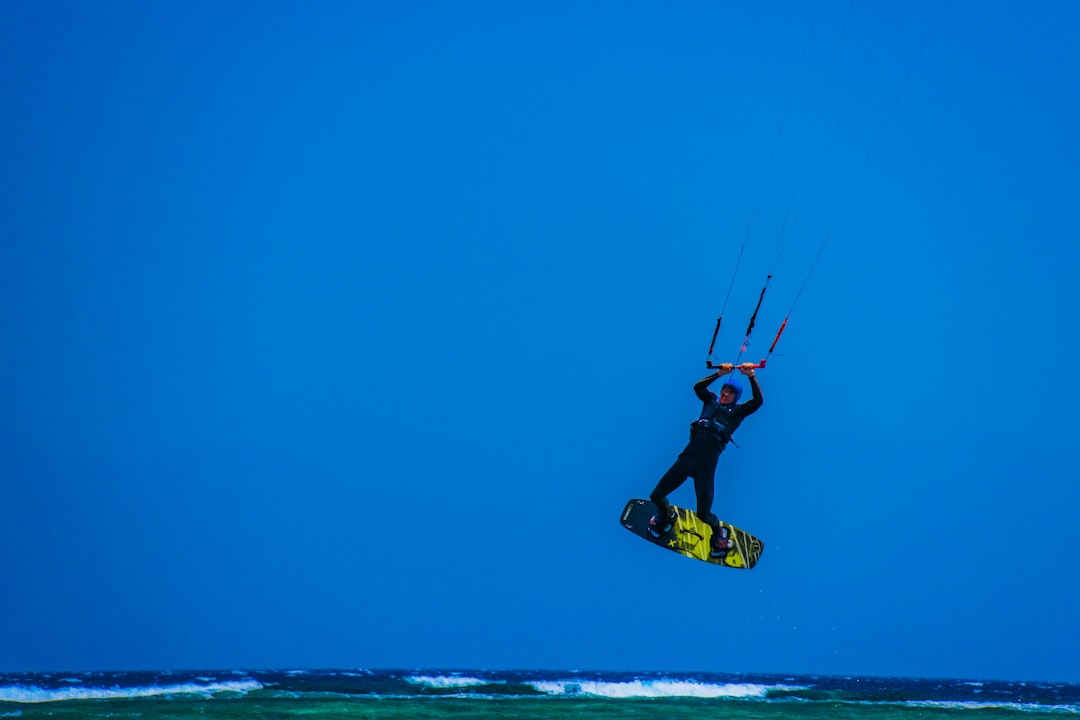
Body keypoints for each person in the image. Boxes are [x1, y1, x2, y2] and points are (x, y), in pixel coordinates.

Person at [648, 362, 763, 557]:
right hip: (686, 460)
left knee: (703, 514)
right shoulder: (710, 401)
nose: (725, 393)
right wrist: (719, 373)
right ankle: (667, 515)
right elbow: (697, 387)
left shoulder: (737, 412)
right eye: (724, 390)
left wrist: (751, 375)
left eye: (730, 392)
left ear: (736, 398)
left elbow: (758, 401)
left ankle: (718, 534)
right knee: (656, 497)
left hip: (706, 468)